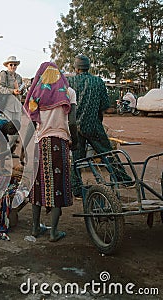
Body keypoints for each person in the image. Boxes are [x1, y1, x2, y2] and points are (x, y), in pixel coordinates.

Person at [24, 61, 78, 242]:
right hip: (59, 143)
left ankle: (35, 228)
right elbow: (72, 122)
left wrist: (25, 148)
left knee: (37, 187)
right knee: (58, 187)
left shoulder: (35, 94)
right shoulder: (68, 93)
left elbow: (31, 125)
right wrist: (75, 142)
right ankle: (54, 232)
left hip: (40, 143)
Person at [67, 54, 132, 197]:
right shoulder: (98, 82)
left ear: (76, 68)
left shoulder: (69, 82)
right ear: (88, 67)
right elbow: (104, 105)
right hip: (94, 125)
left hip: (75, 127)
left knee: (77, 159)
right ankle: (124, 179)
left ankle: (76, 189)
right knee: (107, 153)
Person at [0, 56, 24, 157]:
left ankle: (9, 152)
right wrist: (12, 91)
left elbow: (21, 90)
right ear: (7, 65)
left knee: (15, 131)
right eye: (11, 64)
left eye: (14, 64)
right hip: (6, 106)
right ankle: (0, 153)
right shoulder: (3, 74)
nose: (13, 66)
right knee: (5, 130)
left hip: (17, 106)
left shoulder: (19, 77)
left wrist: (20, 90)